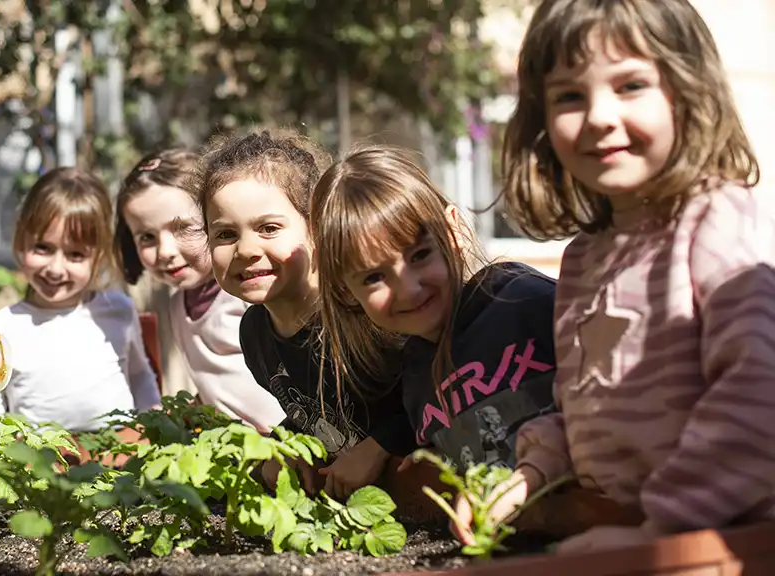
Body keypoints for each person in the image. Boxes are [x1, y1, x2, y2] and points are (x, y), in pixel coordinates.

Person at [453, 0, 772, 553]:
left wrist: (656, 532)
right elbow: (588, 414)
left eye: (630, 86)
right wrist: (528, 475)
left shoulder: (716, 222)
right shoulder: (584, 258)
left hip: (723, 544)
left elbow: (759, 395)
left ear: (688, 92)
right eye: (569, 96)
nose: (599, 116)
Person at [309, 145, 556, 483]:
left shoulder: (524, 302)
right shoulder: (413, 373)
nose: (408, 289)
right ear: (343, 289)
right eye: (374, 277)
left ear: (454, 230)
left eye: (420, 255)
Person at [196, 129, 417, 500]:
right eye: (225, 234)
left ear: (316, 228)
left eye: (268, 228)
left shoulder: (362, 310)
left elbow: (437, 391)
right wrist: (280, 446)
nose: (246, 249)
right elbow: (315, 413)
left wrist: (380, 447)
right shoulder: (256, 334)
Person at [0, 167, 162, 432]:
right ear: (20, 241)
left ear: (98, 257)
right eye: (43, 248)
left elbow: (139, 374)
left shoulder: (118, 309)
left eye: (75, 255)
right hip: (39, 456)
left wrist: (154, 424)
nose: (55, 269)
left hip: (121, 451)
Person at [115, 148, 286, 432]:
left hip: (290, 446)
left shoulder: (248, 295)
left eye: (182, 228)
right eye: (147, 237)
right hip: (234, 450)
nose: (165, 251)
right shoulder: (177, 306)